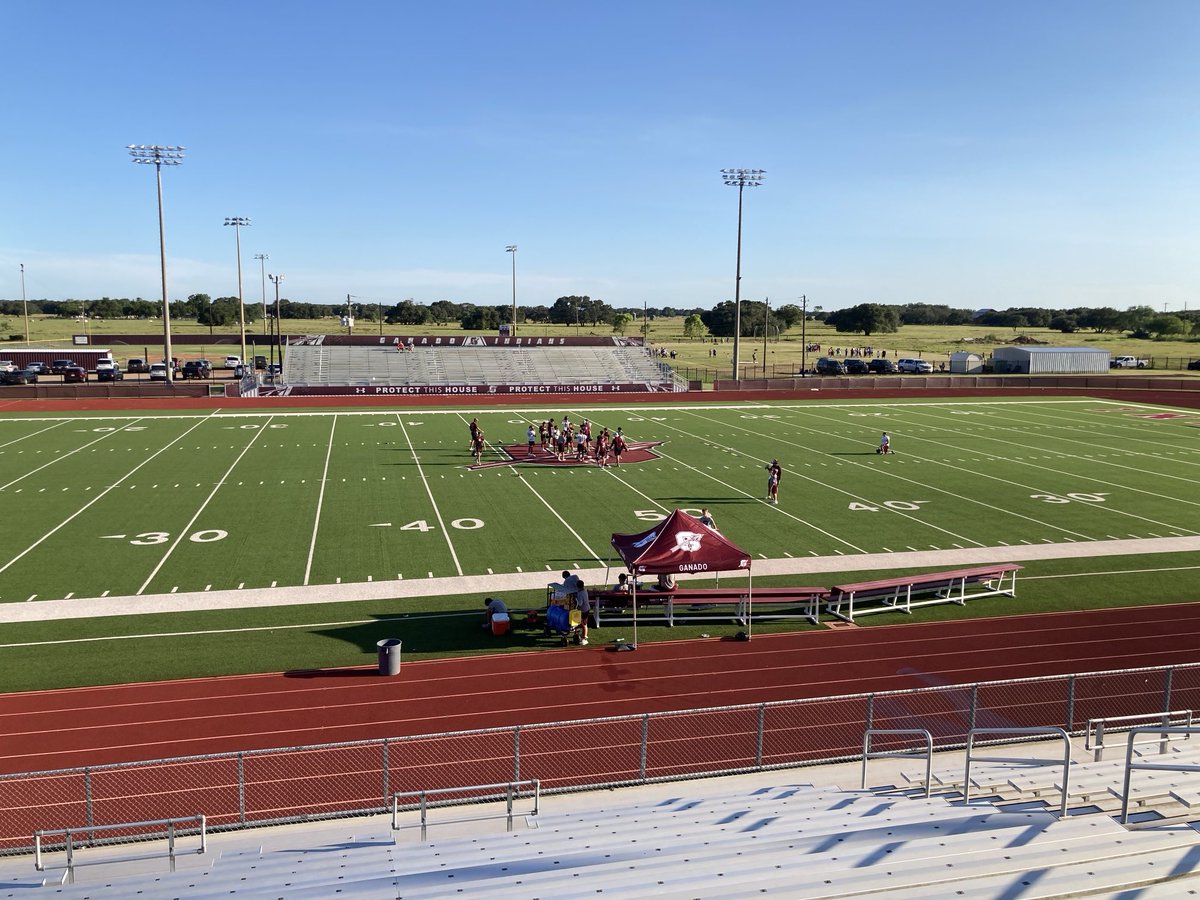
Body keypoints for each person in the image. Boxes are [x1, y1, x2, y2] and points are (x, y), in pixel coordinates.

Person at [574, 579, 591, 645]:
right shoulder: (584, 591)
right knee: (580, 623)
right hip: (585, 609)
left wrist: (575, 600)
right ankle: (581, 636)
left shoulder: (581, 593)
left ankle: (584, 639)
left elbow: (580, 603)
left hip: (584, 610)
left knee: (584, 624)